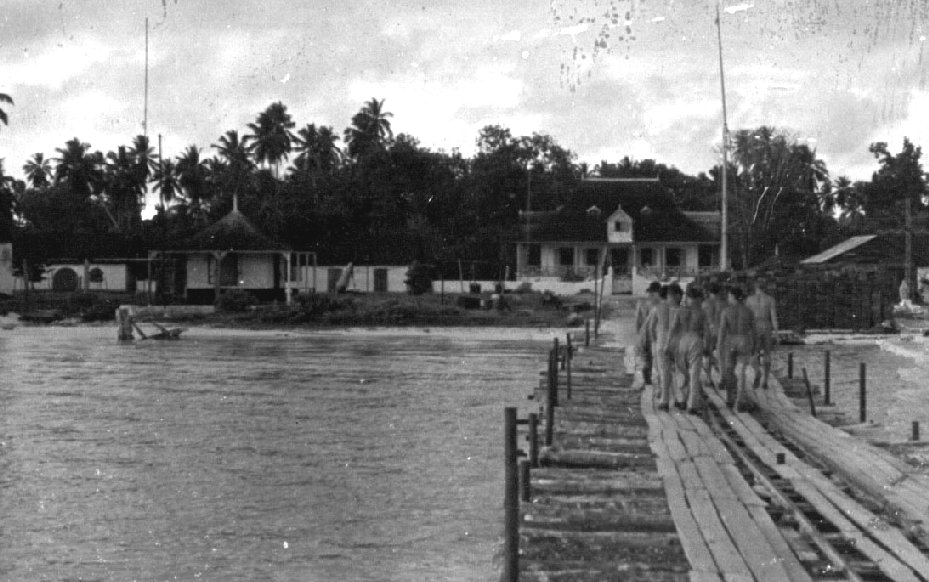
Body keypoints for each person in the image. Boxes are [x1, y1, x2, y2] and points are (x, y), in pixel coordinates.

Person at [717, 286, 756, 411]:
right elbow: (753, 331)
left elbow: (722, 331)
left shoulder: (726, 311)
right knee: (742, 371)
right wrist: (755, 345)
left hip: (731, 340)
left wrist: (719, 346)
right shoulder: (749, 311)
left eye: (729, 296)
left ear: (733, 297)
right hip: (744, 339)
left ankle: (729, 398)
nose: (728, 298)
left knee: (729, 370)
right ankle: (740, 399)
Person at [672, 286, 710, 414]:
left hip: (681, 340)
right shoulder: (701, 312)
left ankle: (682, 399)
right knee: (694, 373)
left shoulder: (680, 311)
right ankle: (692, 404)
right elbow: (707, 332)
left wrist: (669, 344)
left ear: (687, 298)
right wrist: (707, 346)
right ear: (698, 298)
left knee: (681, 371)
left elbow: (673, 328)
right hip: (695, 339)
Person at [746, 277, 778, 390]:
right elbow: (774, 317)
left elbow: (747, 317)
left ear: (755, 287)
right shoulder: (770, 299)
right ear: (765, 288)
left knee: (753, 353)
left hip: (755, 325)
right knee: (768, 354)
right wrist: (776, 332)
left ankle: (757, 371)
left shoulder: (749, 300)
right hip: (766, 325)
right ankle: (765, 380)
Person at [633, 281, 661, 388]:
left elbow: (637, 321)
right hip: (654, 333)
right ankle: (651, 377)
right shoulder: (659, 303)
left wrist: (638, 333)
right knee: (654, 356)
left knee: (647, 356)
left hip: (644, 332)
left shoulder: (642, 303)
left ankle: (648, 376)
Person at [701, 282, 724, 387]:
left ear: (709, 292)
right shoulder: (724, 303)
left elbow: (702, 320)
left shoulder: (705, 304)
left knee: (708, 355)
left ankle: (709, 379)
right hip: (721, 330)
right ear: (719, 291)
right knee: (722, 356)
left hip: (708, 331)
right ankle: (721, 379)